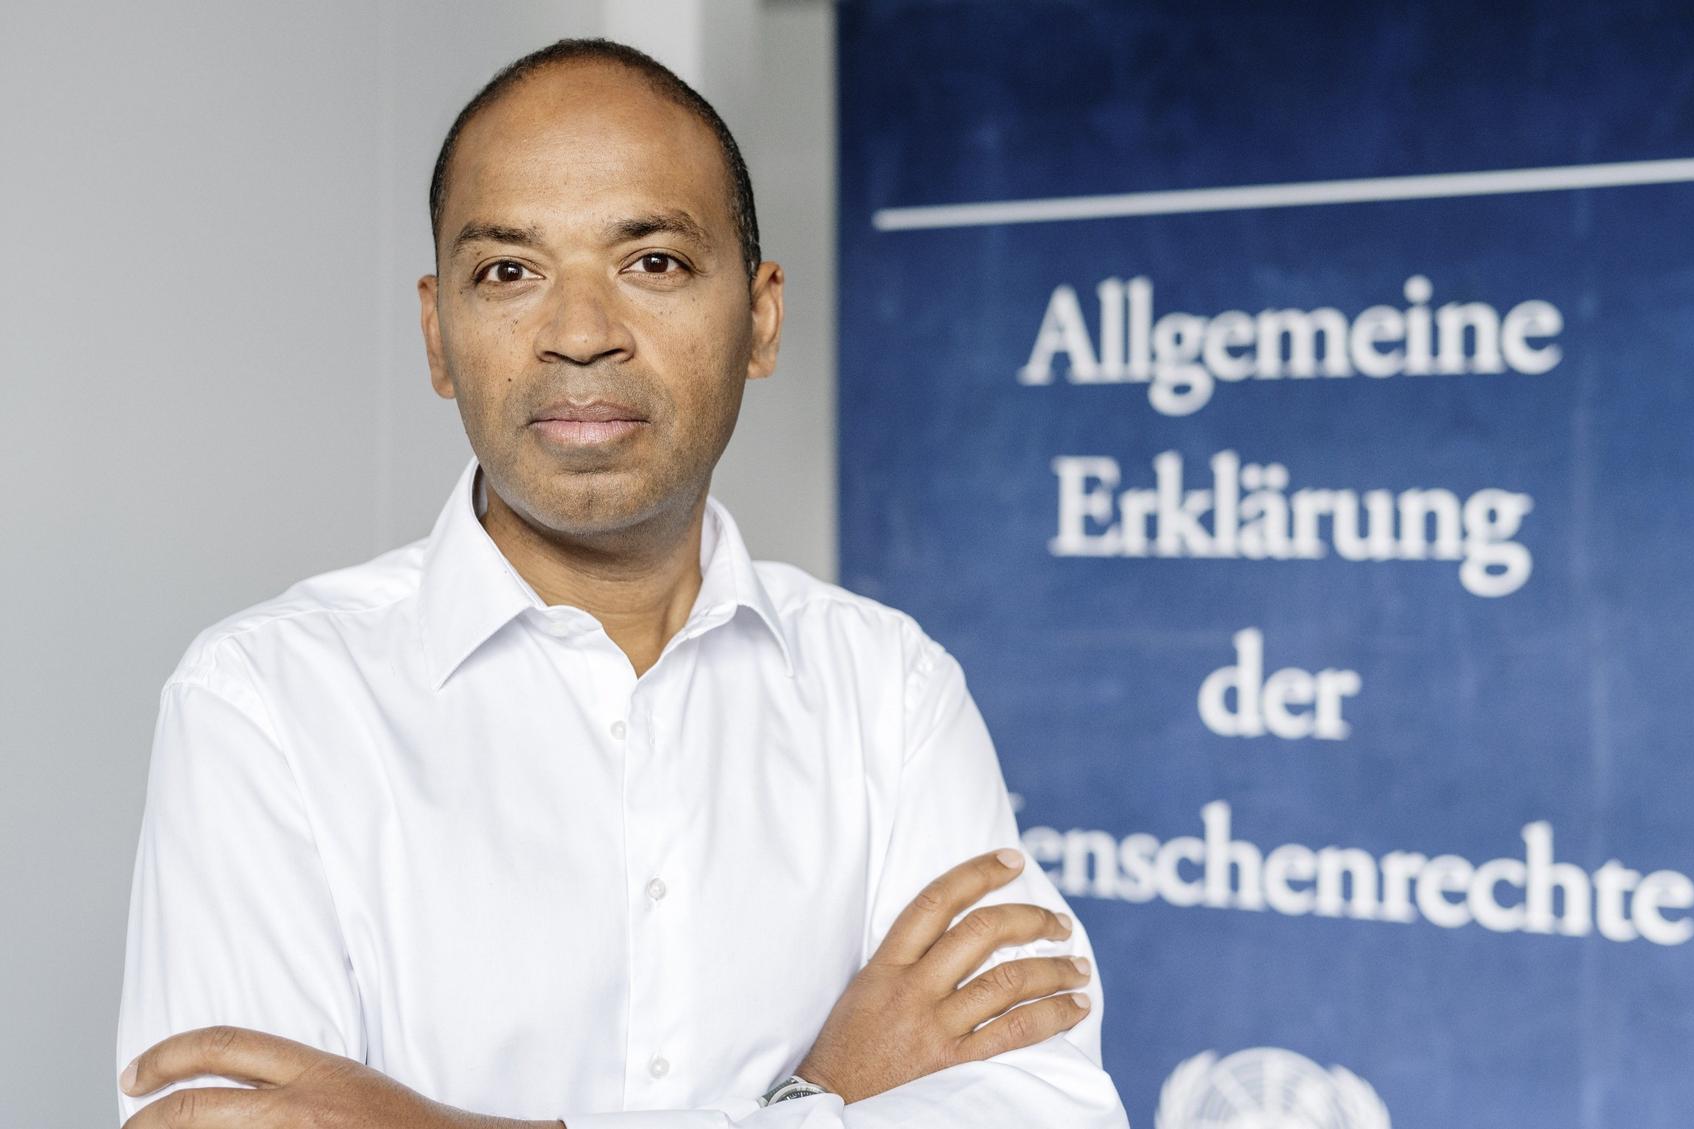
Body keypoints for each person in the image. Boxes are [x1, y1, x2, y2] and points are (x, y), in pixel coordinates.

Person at [114, 37, 1126, 1129]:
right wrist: (818, 1098)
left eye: (652, 262)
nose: (582, 335)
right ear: (438, 332)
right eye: (508, 270)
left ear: (762, 318)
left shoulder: (891, 691)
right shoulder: (265, 701)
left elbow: (1045, 1108)